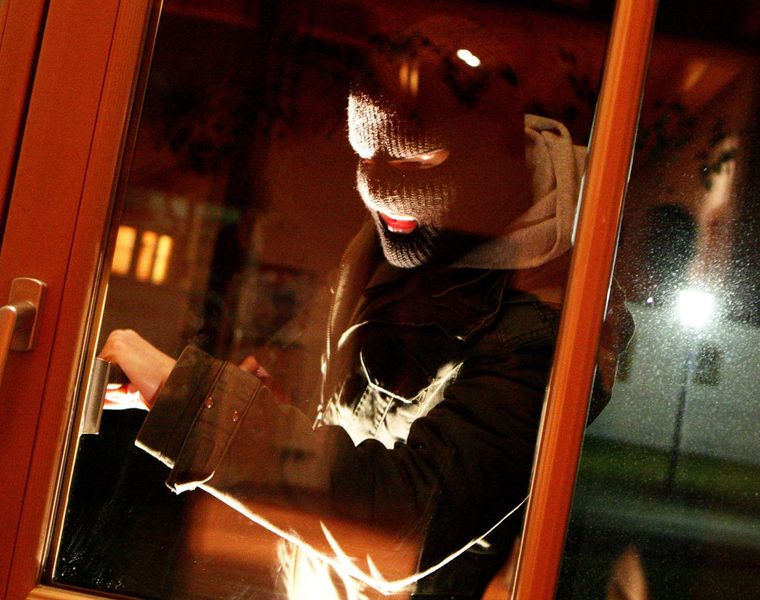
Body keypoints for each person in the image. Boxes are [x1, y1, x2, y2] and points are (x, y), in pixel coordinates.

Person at [101, 17, 586, 598]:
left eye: (417, 160)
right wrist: (268, 395)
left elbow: (403, 527)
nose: (378, 188)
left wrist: (193, 399)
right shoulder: (410, 240)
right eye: (365, 154)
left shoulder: (546, 327)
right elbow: (343, 396)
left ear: (490, 161)